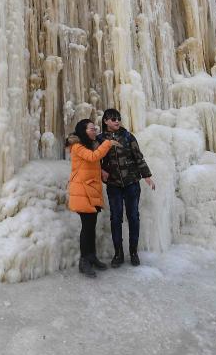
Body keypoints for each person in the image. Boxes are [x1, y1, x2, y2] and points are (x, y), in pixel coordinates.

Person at [97, 109, 155, 267]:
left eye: (119, 119)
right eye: (113, 119)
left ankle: (134, 252)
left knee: (133, 217)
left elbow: (138, 156)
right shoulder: (100, 139)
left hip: (131, 184)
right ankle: (118, 254)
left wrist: (147, 176)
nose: (117, 121)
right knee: (116, 219)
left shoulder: (128, 136)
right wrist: (100, 169)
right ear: (106, 121)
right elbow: (95, 159)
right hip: (114, 185)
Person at [66, 119, 119, 278]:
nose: (95, 130)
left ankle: (91, 256)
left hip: (91, 191)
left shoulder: (88, 145)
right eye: (91, 128)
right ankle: (84, 261)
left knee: (91, 227)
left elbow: (90, 163)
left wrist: (101, 170)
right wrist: (108, 143)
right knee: (87, 228)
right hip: (82, 191)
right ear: (83, 130)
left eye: (95, 128)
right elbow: (92, 157)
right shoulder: (77, 146)